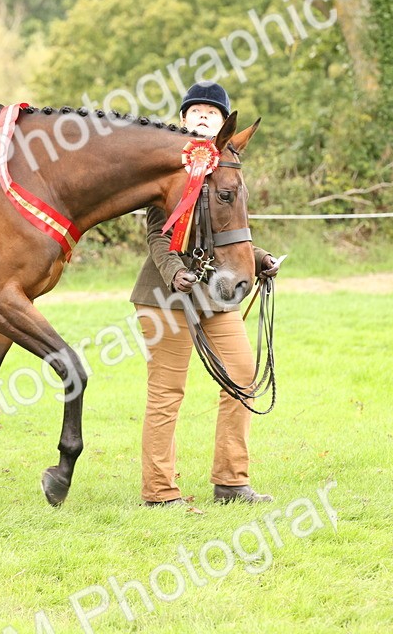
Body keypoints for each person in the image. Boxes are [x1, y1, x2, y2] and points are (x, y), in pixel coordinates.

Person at [130, 81, 280, 507]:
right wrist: (175, 270)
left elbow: (227, 233)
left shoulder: (228, 168)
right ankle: (159, 490)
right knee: (167, 391)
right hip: (164, 293)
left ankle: (231, 481)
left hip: (216, 291)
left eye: (211, 112)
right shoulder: (168, 164)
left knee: (242, 375)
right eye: (195, 110)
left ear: (223, 126)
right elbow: (158, 234)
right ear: (183, 118)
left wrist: (259, 257)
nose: (202, 115)